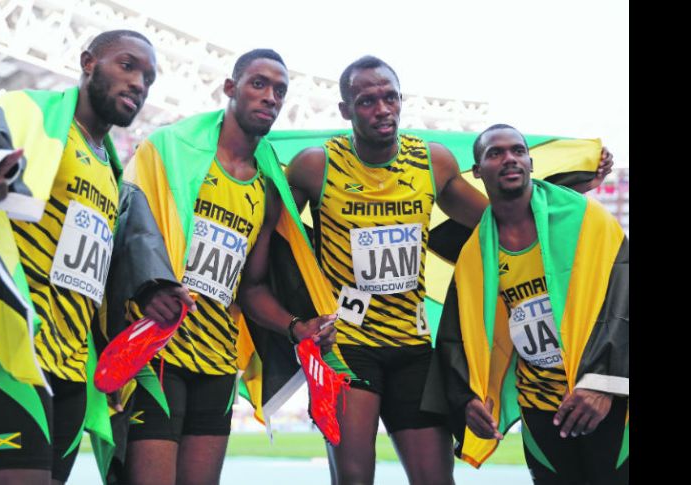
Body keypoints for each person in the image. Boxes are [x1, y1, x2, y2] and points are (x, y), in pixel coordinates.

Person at [240, 55, 614, 485]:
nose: (382, 109)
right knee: (355, 479)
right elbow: (269, 254)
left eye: (390, 97)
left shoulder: (431, 163)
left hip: (414, 347)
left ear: (401, 100)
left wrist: (568, 191)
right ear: (345, 110)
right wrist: (295, 323)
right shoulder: (315, 165)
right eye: (366, 101)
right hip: (347, 345)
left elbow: (500, 220)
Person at [105, 48, 337, 485]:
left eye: (280, 91)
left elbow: (249, 287)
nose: (270, 96)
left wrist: (296, 327)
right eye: (258, 84)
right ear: (230, 88)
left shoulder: (266, 188)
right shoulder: (169, 150)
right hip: (157, 350)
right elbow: (124, 233)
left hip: (216, 362)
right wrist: (147, 290)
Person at [0, 30, 157, 484]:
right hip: (12, 351)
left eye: (148, 77)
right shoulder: (30, 111)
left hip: (72, 367)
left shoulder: (111, 171)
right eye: (127, 65)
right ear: (88, 63)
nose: (139, 82)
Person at [434, 124, 628, 484]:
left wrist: (605, 384)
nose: (509, 158)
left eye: (517, 151)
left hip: (607, 404)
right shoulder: (475, 255)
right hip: (540, 410)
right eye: (495, 153)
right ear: (477, 171)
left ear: (530, 162)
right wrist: (467, 398)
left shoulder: (589, 221)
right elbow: (457, 336)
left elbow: (624, 305)